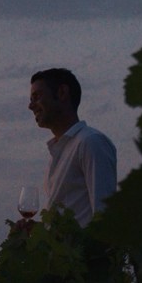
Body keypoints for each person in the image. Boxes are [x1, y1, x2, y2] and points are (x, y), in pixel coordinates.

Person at [28, 67, 118, 225]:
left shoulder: (91, 142)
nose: (31, 106)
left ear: (62, 93)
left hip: (85, 250)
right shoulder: (58, 154)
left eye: (37, 97)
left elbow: (105, 217)